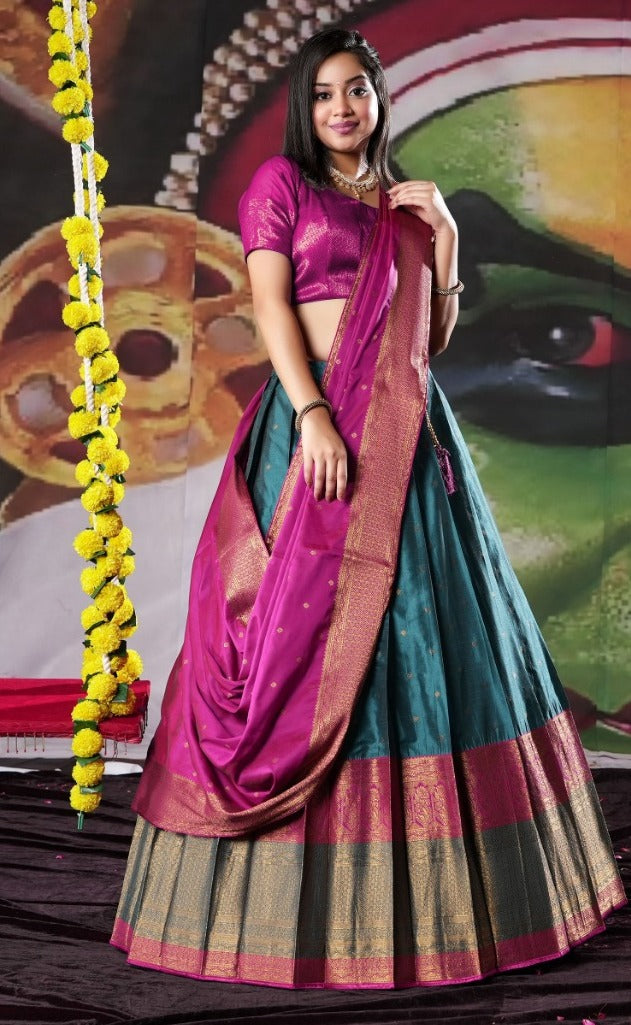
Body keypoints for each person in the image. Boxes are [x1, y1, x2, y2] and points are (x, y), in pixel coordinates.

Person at [111, 28, 625, 989]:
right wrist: (311, 414)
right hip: (315, 429)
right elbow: (271, 308)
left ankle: (441, 908)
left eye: (356, 91)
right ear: (305, 109)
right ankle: (284, 909)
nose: (341, 109)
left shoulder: (404, 204)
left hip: (411, 437)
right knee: (295, 636)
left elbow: (431, 338)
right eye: (323, 95)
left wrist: (447, 237)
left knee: (426, 639)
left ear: (379, 100)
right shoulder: (282, 187)